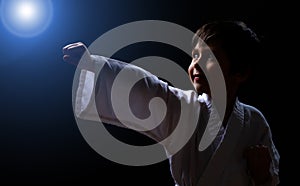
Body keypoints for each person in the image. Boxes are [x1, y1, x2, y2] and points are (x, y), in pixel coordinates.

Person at [62, 20, 280, 186]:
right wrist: (94, 66)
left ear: (240, 73)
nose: (196, 64)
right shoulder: (183, 107)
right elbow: (148, 88)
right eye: (195, 56)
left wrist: (263, 176)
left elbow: (271, 179)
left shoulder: (255, 123)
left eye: (210, 58)